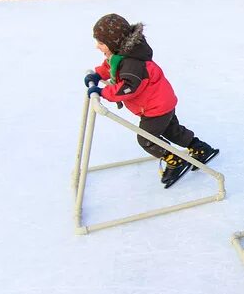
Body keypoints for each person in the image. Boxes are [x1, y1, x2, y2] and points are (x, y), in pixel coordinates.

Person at [85, 14, 219, 188]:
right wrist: (97, 75)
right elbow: (110, 66)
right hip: (161, 101)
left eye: (101, 43)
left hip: (155, 108)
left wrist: (103, 92)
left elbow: (128, 87)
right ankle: (200, 148)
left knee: (146, 139)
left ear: (114, 42)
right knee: (172, 131)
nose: (98, 46)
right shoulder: (121, 54)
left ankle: (175, 160)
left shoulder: (132, 63)